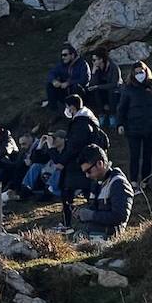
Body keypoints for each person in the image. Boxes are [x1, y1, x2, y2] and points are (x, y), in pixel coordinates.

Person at [60, 94, 108, 230]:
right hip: (86, 163)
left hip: (78, 165)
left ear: (72, 108)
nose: (66, 110)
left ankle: (67, 223)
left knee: (68, 194)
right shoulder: (89, 120)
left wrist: (62, 160)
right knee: (90, 193)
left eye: (67, 107)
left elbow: (74, 146)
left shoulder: (80, 123)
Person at [116, 61, 152, 189]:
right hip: (133, 127)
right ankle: (134, 181)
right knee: (134, 156)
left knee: (148, 156)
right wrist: (120, 124)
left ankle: (146, 181)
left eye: (141, 72)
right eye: (136, 73)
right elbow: (122, 108)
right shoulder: (128, 88)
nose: (139, 75)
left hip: (150, 127)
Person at [74, 145, 134, 238]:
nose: (87, 176)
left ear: (100, 163)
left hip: (110, 238)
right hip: (95, 234)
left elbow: (120, 217)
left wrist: (91, 215)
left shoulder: (118, 183)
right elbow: (95, 209)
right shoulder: (97, 183)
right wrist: (82, 214)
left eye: (88, 171)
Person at [45, 44, 90, 110]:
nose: (63, 57)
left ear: (72, 55)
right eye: (62, 55)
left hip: (79, 92)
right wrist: (54, 81)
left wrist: (69, 83)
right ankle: (55, 110)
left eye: (65, 55)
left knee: (76, 87)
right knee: (50, 85)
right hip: (65, 91)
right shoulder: (62, 64)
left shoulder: (83, 64)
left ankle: (78, 109)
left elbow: (84, 80)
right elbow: (51, 73)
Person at [85, 48, 122, 125]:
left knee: (111, 91)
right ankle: (101, 114)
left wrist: (98, 86)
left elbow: (114, 84)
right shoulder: (96, 68)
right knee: (95, 91)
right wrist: (94, 73)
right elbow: (92, 84)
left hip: (115, 91)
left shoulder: (113, 67)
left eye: (95, 60)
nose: (93, 62)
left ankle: (112, 115)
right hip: (102, 91)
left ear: (101, 59)